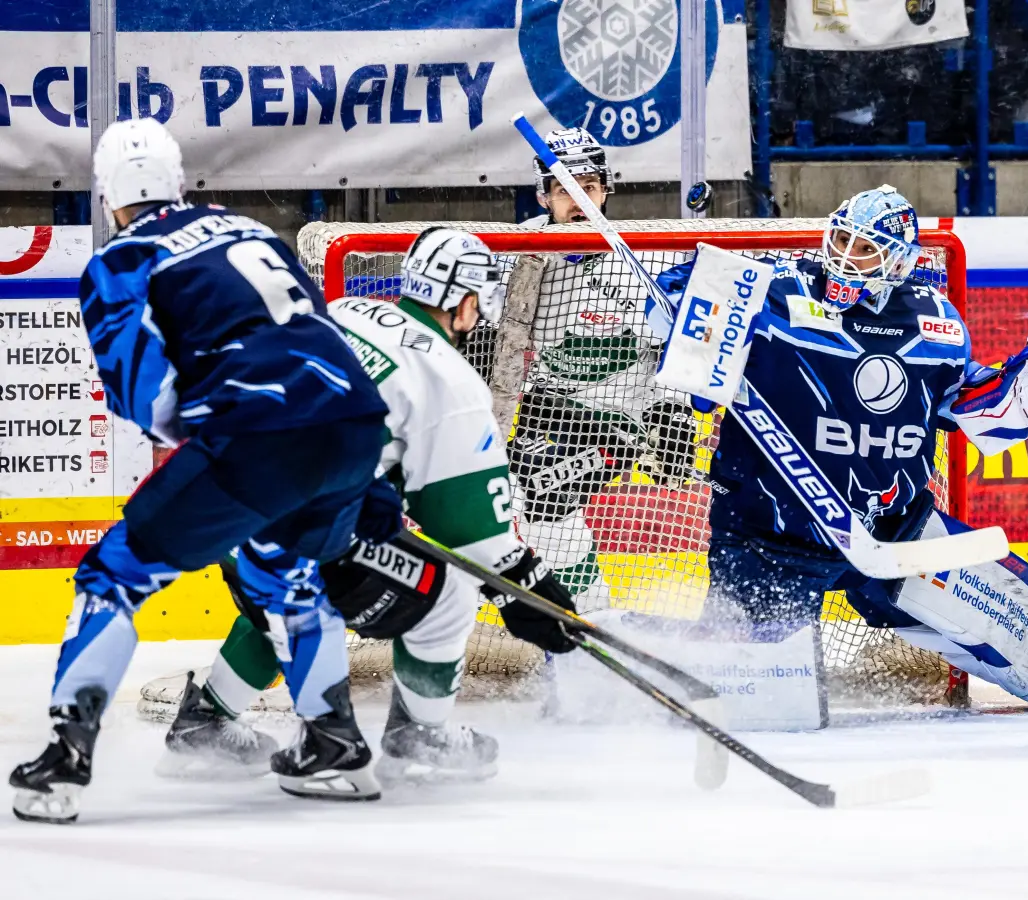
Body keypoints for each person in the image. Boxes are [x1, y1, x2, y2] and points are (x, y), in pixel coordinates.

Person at [11, 119, 392, 823]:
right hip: (357, 422)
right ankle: (336, 748)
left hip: (258, 433)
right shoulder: (248, 230)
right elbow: (313, 331)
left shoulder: (124, 258)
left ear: (107, 199)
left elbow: (144, 395)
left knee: (112, 575)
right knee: (287, 572)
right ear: (181, 184)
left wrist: (218, 466)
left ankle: (64, 762)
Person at [644, 186, 1028, 708]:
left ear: (899, 260)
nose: (846, 257)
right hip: (772, 536)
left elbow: (963, 402)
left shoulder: (934, 321)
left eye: (865, 248)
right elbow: (678, 296)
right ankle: (635, 664)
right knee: (756, 701)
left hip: (894, 534)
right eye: (841, 239)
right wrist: (684, 303)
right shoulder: (774, 290)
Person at [158, 229, 579, 784]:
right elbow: (465, 520)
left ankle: (204, 724)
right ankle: (420, 737)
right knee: (451, 589)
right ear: (468, 302)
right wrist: (523, 586)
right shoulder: (446, 376)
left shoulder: (344, 308)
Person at [509, 126, 700, 612]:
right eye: (563, 190)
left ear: (606, 189)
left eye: (588, 188)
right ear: (544, 197)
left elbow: (673, 352)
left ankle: (593, 615)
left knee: (541, 490)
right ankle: (589, 610)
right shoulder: (519, 252)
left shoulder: (649, 256)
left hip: (622, 418)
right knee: (508, 502)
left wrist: (673, 415)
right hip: (548, 408)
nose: (579, 200)